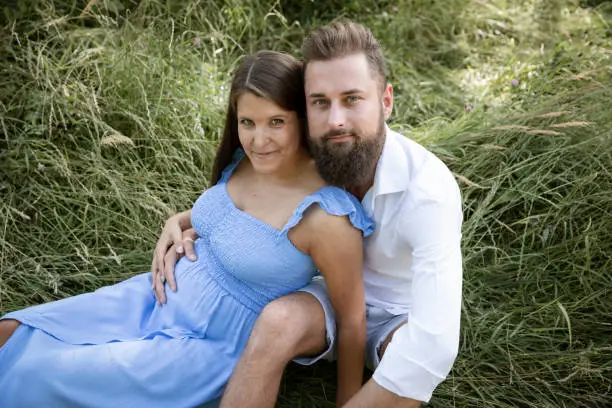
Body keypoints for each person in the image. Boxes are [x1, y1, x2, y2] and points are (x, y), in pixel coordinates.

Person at [0, 50, 375, 408]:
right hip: (151, 297)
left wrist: (349, 404)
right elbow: (232, 219)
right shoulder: (246, 161)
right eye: (248, 122)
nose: (258, 140)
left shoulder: (325, 215)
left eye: (276, 122)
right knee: (12, 330)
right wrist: (179, 220)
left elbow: (352, 320)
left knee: (39, 372)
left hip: (205, 341)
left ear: (303, 118)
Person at [154, 20, 463, 408]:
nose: (335, 119)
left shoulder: (429, 192)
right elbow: (262, 202)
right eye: (320, 101)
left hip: (395, 316)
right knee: (277, 320)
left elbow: (434, 346)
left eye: (352, 99)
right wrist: (183, 221)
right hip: (326, 298)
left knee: (409, 356)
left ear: (386, 100)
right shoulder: (321, 145)